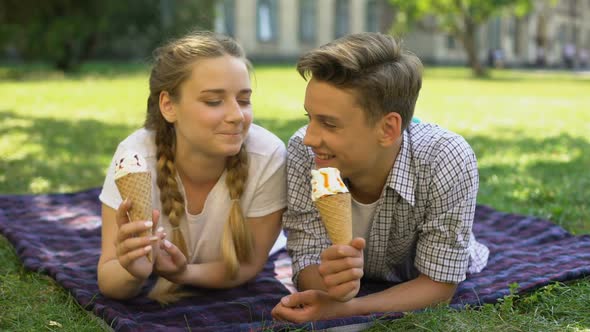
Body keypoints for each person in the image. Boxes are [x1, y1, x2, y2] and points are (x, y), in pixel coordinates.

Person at [272, 32, 489, 322]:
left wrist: (344, 309)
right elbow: (307, 258)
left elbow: (439, 285)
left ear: (387, 129)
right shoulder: (305, 151)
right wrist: (331, 286)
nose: (310, 137)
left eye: (329, 123)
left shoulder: (445, 158)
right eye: (309, 117)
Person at [97, 31, 287, 304]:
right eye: (213, 101)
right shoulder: (134, 160)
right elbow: (109, 276)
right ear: (168, 105)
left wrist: (183, 273)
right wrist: (134, 272)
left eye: (244, 100)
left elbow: (247, 265)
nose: (236, 116)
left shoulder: (267, 157)